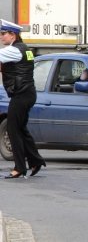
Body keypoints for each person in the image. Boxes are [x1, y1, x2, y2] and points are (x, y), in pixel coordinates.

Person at [0, 19, 45, 179]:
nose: (1, 37)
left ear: (13, 35)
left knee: (13, 129)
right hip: (26, 94)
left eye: (4, 34)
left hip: (21, 95)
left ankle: (19, 167)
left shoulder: (14, 50)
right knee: (20, 129)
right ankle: (35, 161)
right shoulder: (24, 49)